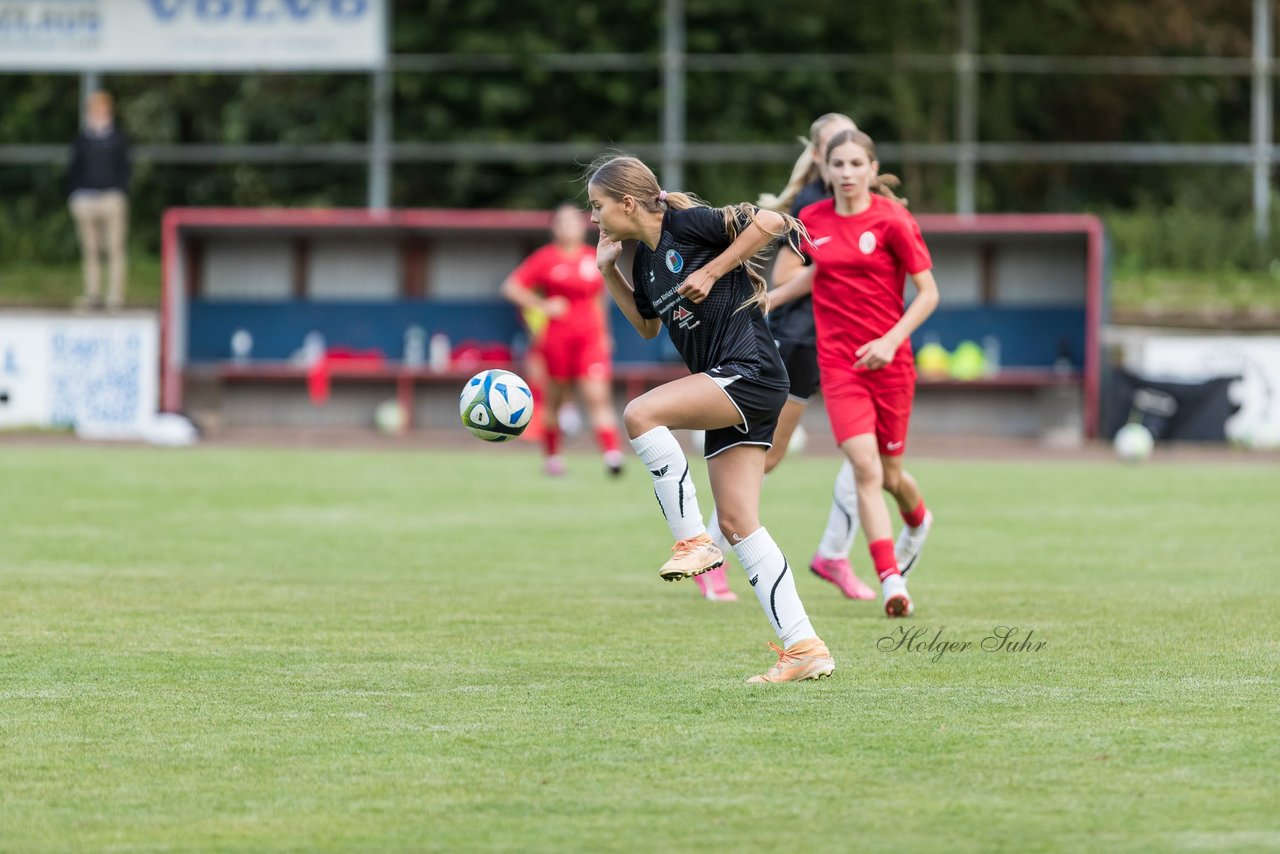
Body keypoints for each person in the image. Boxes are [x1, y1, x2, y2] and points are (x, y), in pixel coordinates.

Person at [587, 153, 834, 683]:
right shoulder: (643, 261)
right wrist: (609, 271)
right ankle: (804, 646)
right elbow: (649, 328)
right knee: (740, 523)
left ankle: (691, 542)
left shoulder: (684, 223)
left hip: (750, 373)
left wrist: (714, 269)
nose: (594, 218)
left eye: (597, 206)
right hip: (738, 386)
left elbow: (772, 222)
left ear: (628, 203)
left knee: (640, 412)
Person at [702, 112, 877, 603]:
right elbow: (783, 276)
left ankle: (833, 555)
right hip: (801, 339)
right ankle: (707, 552)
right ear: (820, 156)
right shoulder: (813, 205)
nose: (845, 159)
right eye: (834, 147)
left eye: (853, 147)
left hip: (845, 340)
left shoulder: (862, 203)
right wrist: (830, 272)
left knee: (870, 452)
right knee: (766, 455)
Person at [770, 129, 938, 618]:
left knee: (890, 475)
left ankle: (919, 520)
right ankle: (891, 581)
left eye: (854, 164)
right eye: (837, 165)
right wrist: (772, 297)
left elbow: (928, 293)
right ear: (826, 169)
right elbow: (821, 270)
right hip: (840, 364)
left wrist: (890, 341)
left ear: (870, 168)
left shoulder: (893, 220)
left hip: (890, 365)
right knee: (864, 467)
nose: (845, 173)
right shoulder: (812, 217)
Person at [501, 203, 625, 477]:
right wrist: (542, 305)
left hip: (589, 338)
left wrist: (605, 335)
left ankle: (612, 456)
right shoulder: (545, 258)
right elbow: (511, 287)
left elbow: (598, 299)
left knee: (597, 396)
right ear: (554, 228)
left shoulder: (591, 257)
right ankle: (553, 458)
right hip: (556, 339)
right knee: (555, 400)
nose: (568, 227)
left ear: (583, 227)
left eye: (573, 221)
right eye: (562, 222)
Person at [67, 90, 132, 311]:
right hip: (85, 199)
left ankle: (114, 296)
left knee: (114, 248)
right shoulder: (82, 140)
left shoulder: (118, 139)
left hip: (111, 198)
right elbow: (73, 170)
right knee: (90, 249)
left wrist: (121, 192)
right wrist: (74, 195)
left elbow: (125, 169)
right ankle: (92, 294)